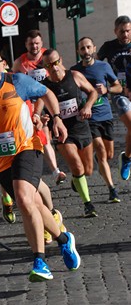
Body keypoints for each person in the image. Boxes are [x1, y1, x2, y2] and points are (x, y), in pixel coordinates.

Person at [0, 40, 80, 282]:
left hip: (28, 147)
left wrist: (56, 119)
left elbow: (47, 93)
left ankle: (40, 261)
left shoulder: (17, 81)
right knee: (31, 203)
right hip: (0, 160)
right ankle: (65, 240)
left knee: (23, 199)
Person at [42, 49, 99, 217]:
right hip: (62, 134)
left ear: (60, 60)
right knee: (77, 164)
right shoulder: (45, 87)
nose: (53, 68)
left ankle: (77, 179)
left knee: (87, 170)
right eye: (48, 65)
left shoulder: (74, 76)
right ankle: (88, 205)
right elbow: (37, 109)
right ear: (45, 67)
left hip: (81, 127)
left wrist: (88, 106)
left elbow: (93, 92)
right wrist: (40, 118)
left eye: (55, 63)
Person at [12, 29, 67, 186]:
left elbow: (61, 70)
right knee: (43, 136)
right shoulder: (20, 62)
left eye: (37, 43)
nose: (34, 46)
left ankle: (59, 162)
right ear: (26, 45)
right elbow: (15, 84)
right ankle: (54, 170)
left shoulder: (48, 56)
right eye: (31, 44)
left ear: (41, 43)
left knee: (53, 134)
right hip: (32, 104)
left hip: (50, 99)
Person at [71, 36, 123, 202]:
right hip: (89, 118)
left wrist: (107, 89)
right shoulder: (75, 72)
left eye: (88, 47)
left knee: (108, 155)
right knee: (100, 150)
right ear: (78, 52)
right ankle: (112, 189)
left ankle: (83, 173)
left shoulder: (103, 66)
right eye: (82, 49)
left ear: (93, 48)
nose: (86, 51)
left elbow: (118, 87)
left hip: (106, 115)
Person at [97, 15, 131, 181]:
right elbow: (95, 65)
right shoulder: (108, 47)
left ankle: (127, 157)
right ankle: (128, 159)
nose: (125, 35)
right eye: (122, 31)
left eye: (128, 31)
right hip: (119, 93)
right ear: (115, 31)